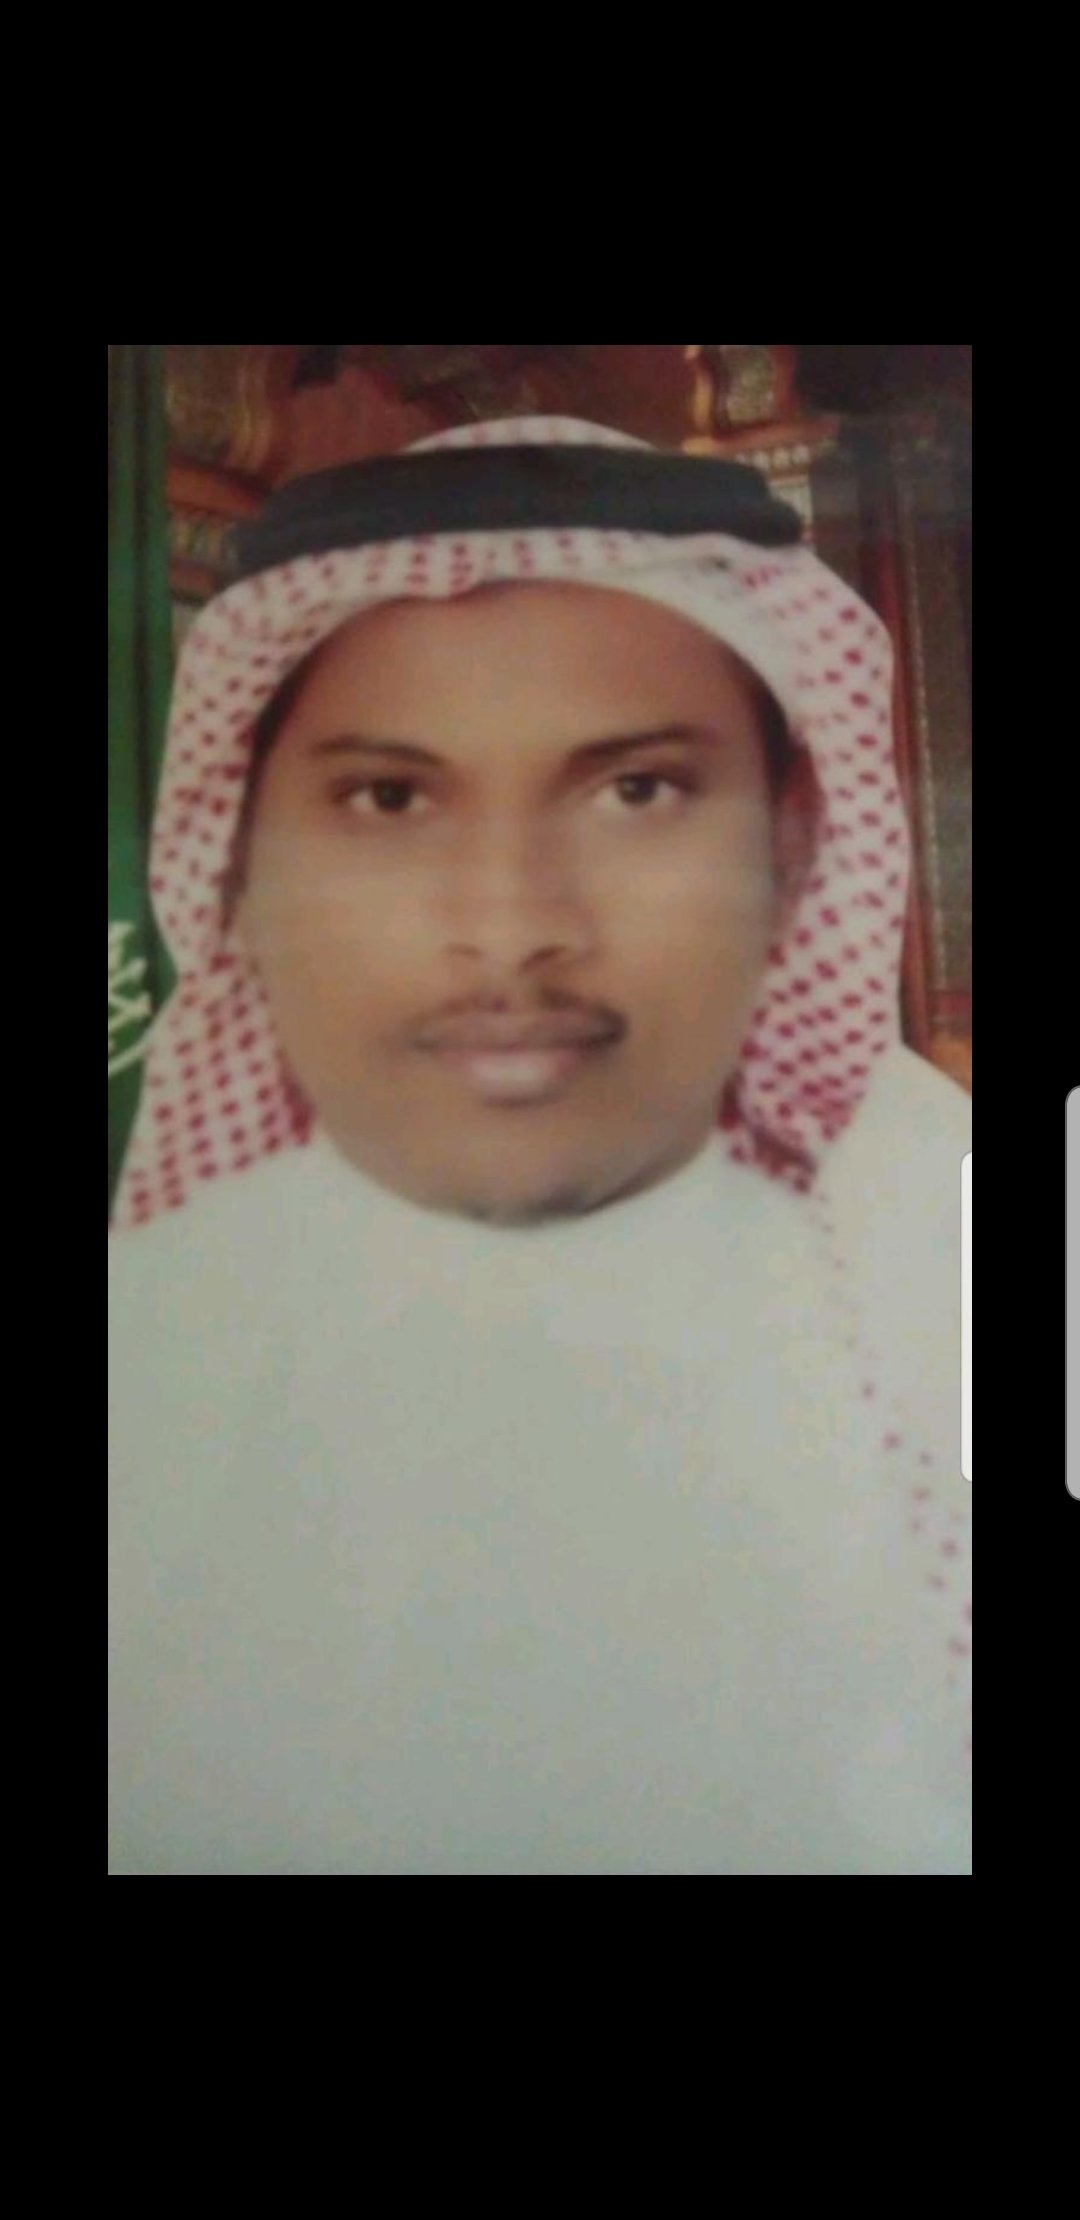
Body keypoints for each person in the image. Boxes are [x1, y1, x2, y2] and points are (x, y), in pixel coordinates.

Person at [108, 416, 971, 1876]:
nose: (511, 926)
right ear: (241, 863)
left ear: (793, 843)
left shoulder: (967, 1240)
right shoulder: (157, 1333)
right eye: (390, 798)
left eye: (637, 791)